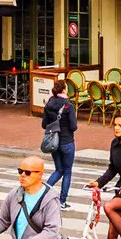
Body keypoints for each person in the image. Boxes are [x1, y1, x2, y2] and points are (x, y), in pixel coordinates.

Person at [40, 77, 78, 205]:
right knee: (67, 171)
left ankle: (42, 194)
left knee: (58, 170)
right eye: (66, 87)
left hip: (54, 142)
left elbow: (44, 124)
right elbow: (73, 126)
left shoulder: (49, 104)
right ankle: (62, 201)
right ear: (64, 90)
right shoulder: (68, 106)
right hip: (67, 141)